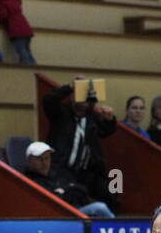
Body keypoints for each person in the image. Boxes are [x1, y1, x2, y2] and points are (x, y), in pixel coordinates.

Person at [41, 76, 118, 212]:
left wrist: (110, 120)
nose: (84, 102)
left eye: (87, 99)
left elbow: (106, 132)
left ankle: (110, 223)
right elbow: (48, 100)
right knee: (70, 193)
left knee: (113, 187)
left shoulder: (91, 118)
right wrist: (69, 87)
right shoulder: (61, 114)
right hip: (61, 169)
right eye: (80, 96)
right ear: (71, 98)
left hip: (87, 171)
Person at [22, 140, 113, 218]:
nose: (44, 162)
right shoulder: (29, 181)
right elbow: (53, 201)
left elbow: (81, 189)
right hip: (58, 216)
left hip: (75, 210)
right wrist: (68, 191)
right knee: (99, 208)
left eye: (47, 158)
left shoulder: (58, 173)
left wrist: (65, 192)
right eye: (39, 159)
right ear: (29, 161)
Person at [0, 0, 35, 65]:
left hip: (16, 29)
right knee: (27, 49)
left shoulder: (2, 4)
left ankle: (27, 65)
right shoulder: (15, 2)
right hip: (26, 27)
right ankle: (33, 64)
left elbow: (3, 16)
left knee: (21, 49)